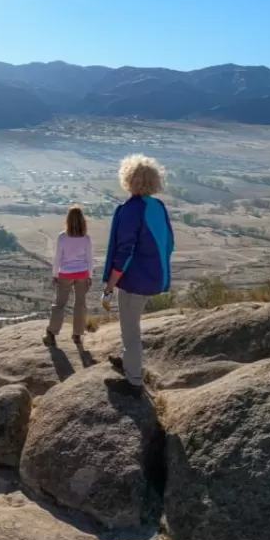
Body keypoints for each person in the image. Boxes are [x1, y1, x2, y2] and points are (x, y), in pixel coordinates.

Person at [102, 154, 175, 397]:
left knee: (130, 331)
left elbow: (125, 252)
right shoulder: (158, 206)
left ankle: (133, 381)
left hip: (135, 281)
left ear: (128, 179)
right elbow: (169, 243)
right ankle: (129, 362)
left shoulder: (130, 210)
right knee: (131, 327)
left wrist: (110, 285)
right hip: (156, 277)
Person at [43, 207, 93, 348]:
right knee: (80, 304)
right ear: (83, 221)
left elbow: (58, 257)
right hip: (82, 273)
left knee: (60, 304)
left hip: (65, 274)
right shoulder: (86, 239)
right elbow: (90, 259)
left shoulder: (62, 237)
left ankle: (51, 333)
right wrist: (90, 275)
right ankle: (77, 334)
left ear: (68, 220)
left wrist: (55, 274)